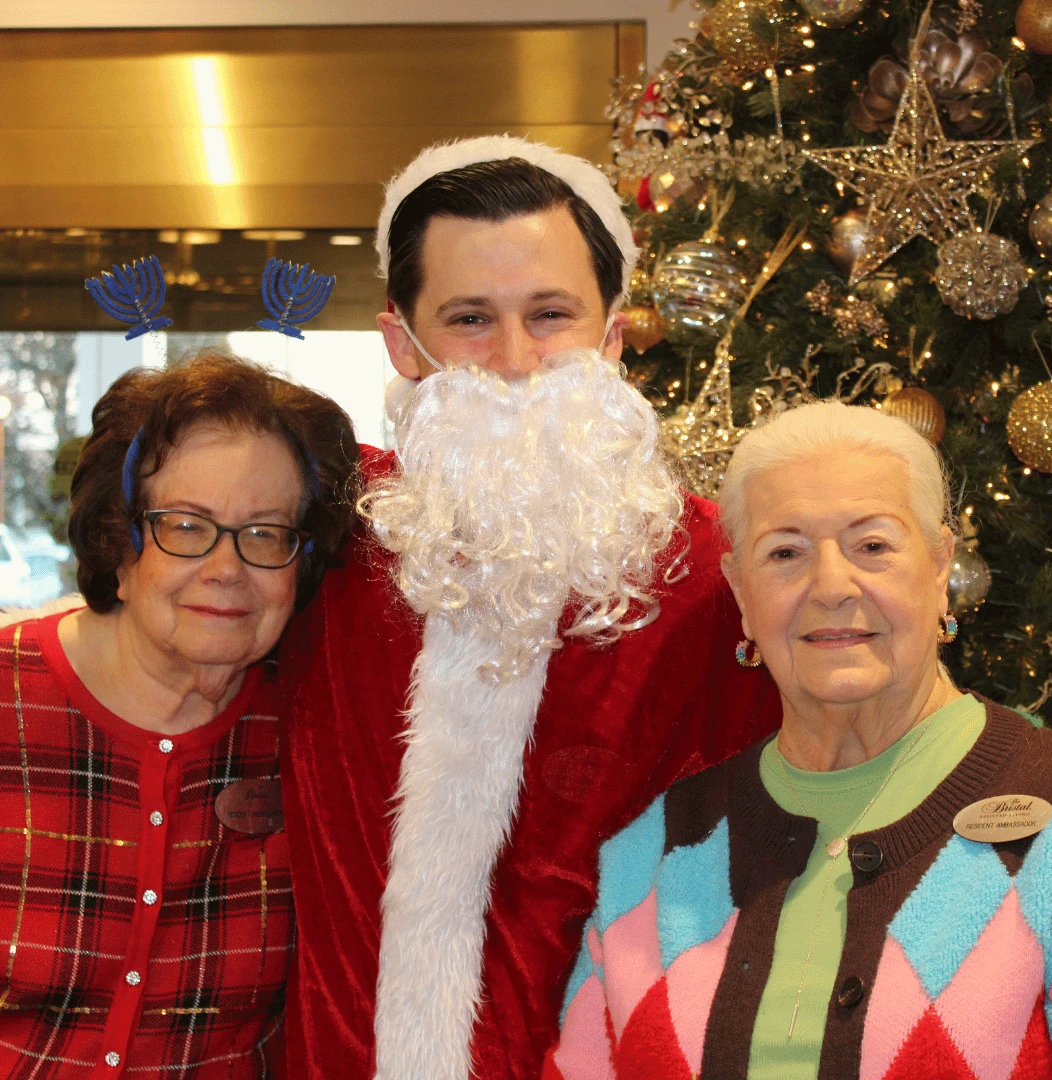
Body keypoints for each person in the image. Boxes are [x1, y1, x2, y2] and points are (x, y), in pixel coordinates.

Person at [278, 136, 781, 1080]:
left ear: (614, 335)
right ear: (403, 343)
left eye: (551, 315)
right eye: (470, 318)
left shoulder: (723, 573)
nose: (514, 362)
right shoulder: (320, 536)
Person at [546, 399, 1052, 1080]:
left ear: (940, 566)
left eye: (873, 546)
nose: (831, 585)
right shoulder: (652, 854)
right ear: (741, 591)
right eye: (786, 552)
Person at [0, 353, 356, 1078]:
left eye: (265, 534)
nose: (227, 569)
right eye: (187, 526)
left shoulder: (323, 731)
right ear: (117, 546)